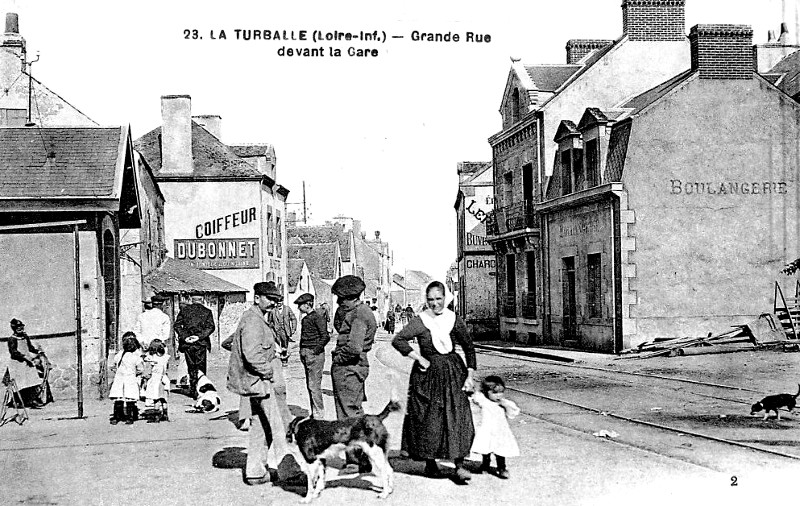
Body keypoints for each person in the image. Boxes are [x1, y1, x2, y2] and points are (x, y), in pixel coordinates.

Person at [391, 281, 476, 484]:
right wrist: (419, 359)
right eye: (430, 300)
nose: (435, 304)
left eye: (438, 299)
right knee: (429, 418)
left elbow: (469, 347)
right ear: (426, 301)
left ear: (445, 299)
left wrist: (470, 375)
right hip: (427, 375)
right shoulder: (421, 320)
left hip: (453, 372)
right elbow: (398, 340)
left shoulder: (454, 319)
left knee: (457, 416)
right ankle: (430, 463)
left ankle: (459, 465)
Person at [227, 281, 290, 485]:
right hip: (260, 382)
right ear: (257, 298)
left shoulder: (256, 318)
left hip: (254, 382)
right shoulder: (253, 321)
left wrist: (274, 352)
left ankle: (255, 472)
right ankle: (290, 472)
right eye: (270, 299)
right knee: (278, 427)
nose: (273, 303)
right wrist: (270, 372)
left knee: (260, 426)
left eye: (276, 300)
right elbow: (252, 355)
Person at [330, 275, 376, 420]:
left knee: (348, 417)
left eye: (341, 299)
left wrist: (338, 359)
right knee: (351, 413)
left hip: (349, 368)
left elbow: (354, 348)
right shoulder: (359, 311)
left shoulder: (359, 314)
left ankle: (355, 443)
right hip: (351, 368)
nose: (338, 302)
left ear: (352, 297)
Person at [470, 375, 520, 479]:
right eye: (494, 393)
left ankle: (502, 468)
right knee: (486, 448)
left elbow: (513, 411)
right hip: (487, 429)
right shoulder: (484, 401)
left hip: (500, 430)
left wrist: (504, 403)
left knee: (500, 450)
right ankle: (485, 465)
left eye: (501, 392)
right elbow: (475, 397)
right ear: (486, 392)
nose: (498, 395)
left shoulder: (503, 403)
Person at [294, 292, 330, 419]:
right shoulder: (305, 319)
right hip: (305, 354)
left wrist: (315, 351)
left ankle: (319, 414)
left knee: (314, 386)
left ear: (308, 305)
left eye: (300, 305)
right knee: (310, 385)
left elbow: (325, 336)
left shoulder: (318, 317)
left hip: (314, 355)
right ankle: (314, 412)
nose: (298, 307)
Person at [174, 294, 215, 399]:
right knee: (201, 367)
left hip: (188, 344)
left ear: (191, 300)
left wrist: (185, 337)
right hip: (201, 343)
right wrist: (199, 336)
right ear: (202, 300)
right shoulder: (207, 312)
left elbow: (177, 325)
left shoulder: (185, 310)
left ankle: (193, 390)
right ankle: (201, 389)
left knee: (191, 367)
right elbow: (210, 327)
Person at [6, 318, 52, 408]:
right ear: (14, 328)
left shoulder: (25, 337)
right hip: (17, 363)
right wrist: (24, 357)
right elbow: (13, 352)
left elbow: (30, 348)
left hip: (27, 362)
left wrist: (38, 352)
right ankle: (17, 401)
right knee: (20, 383)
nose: (20, 329)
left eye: (21, 327)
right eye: (18, 327)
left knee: (32, 380)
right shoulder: (12, 339)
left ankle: (31, 400)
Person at [109, 332, 144, 425]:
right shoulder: (136, 356)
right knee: (130, 399)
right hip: (130, 379)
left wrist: (117, 371)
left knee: (119, 398)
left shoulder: (120, 354)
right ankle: (130, 417)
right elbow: (140, 369)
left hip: (119, 378)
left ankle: (117, 417)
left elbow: (113, 365)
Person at [142, 339, 170, 423]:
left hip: (156, 380)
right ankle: (165, 415)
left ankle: (156, 416)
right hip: (164, 379)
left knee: (156, 399)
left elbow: (148, 369)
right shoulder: (165, 358)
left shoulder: (153, 359)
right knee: (163, 399)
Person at [268, 299, 297, 367]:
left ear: (282, 302)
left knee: (284, 346)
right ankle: (278, 361)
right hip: (276, 331)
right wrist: (272, 330)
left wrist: (293, 329)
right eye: (277, 303)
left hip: (285, 331)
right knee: (277, 347)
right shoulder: (273, 310)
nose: (279, 304)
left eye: (280, 302)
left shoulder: (287, 309)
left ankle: (284, 360)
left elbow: (293, 319)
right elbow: (270, 322)